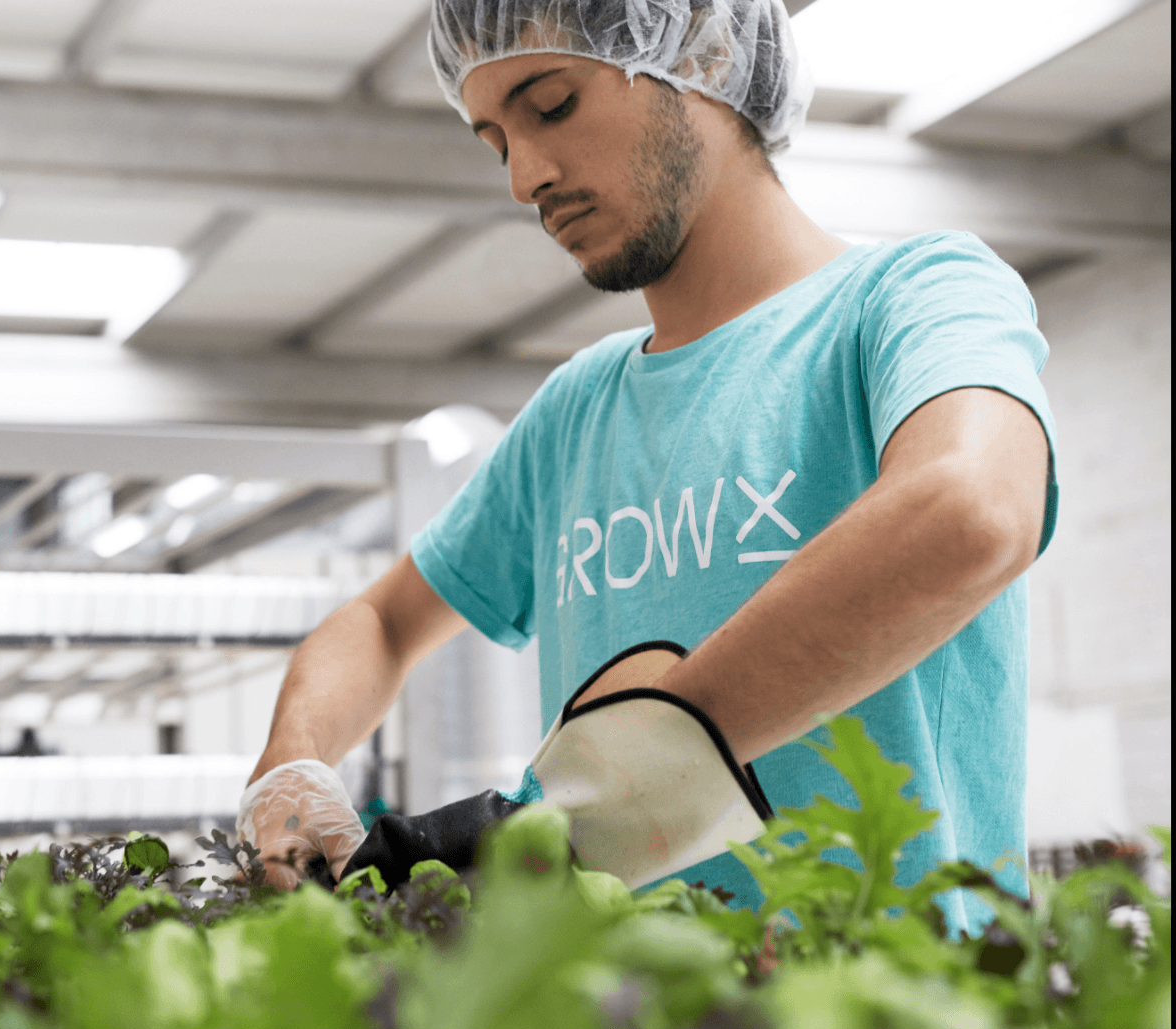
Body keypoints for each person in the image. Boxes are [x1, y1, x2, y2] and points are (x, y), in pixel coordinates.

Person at [238, 0, 1055, 935]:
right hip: (627, 993)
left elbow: (971, 511)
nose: (525, 178)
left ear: (703, 50)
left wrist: (612, 785)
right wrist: (291, 762)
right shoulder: (576, 409)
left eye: (551, 105)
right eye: (495, 143)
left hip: (895, 987)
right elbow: (382, 621)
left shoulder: (909, 298)